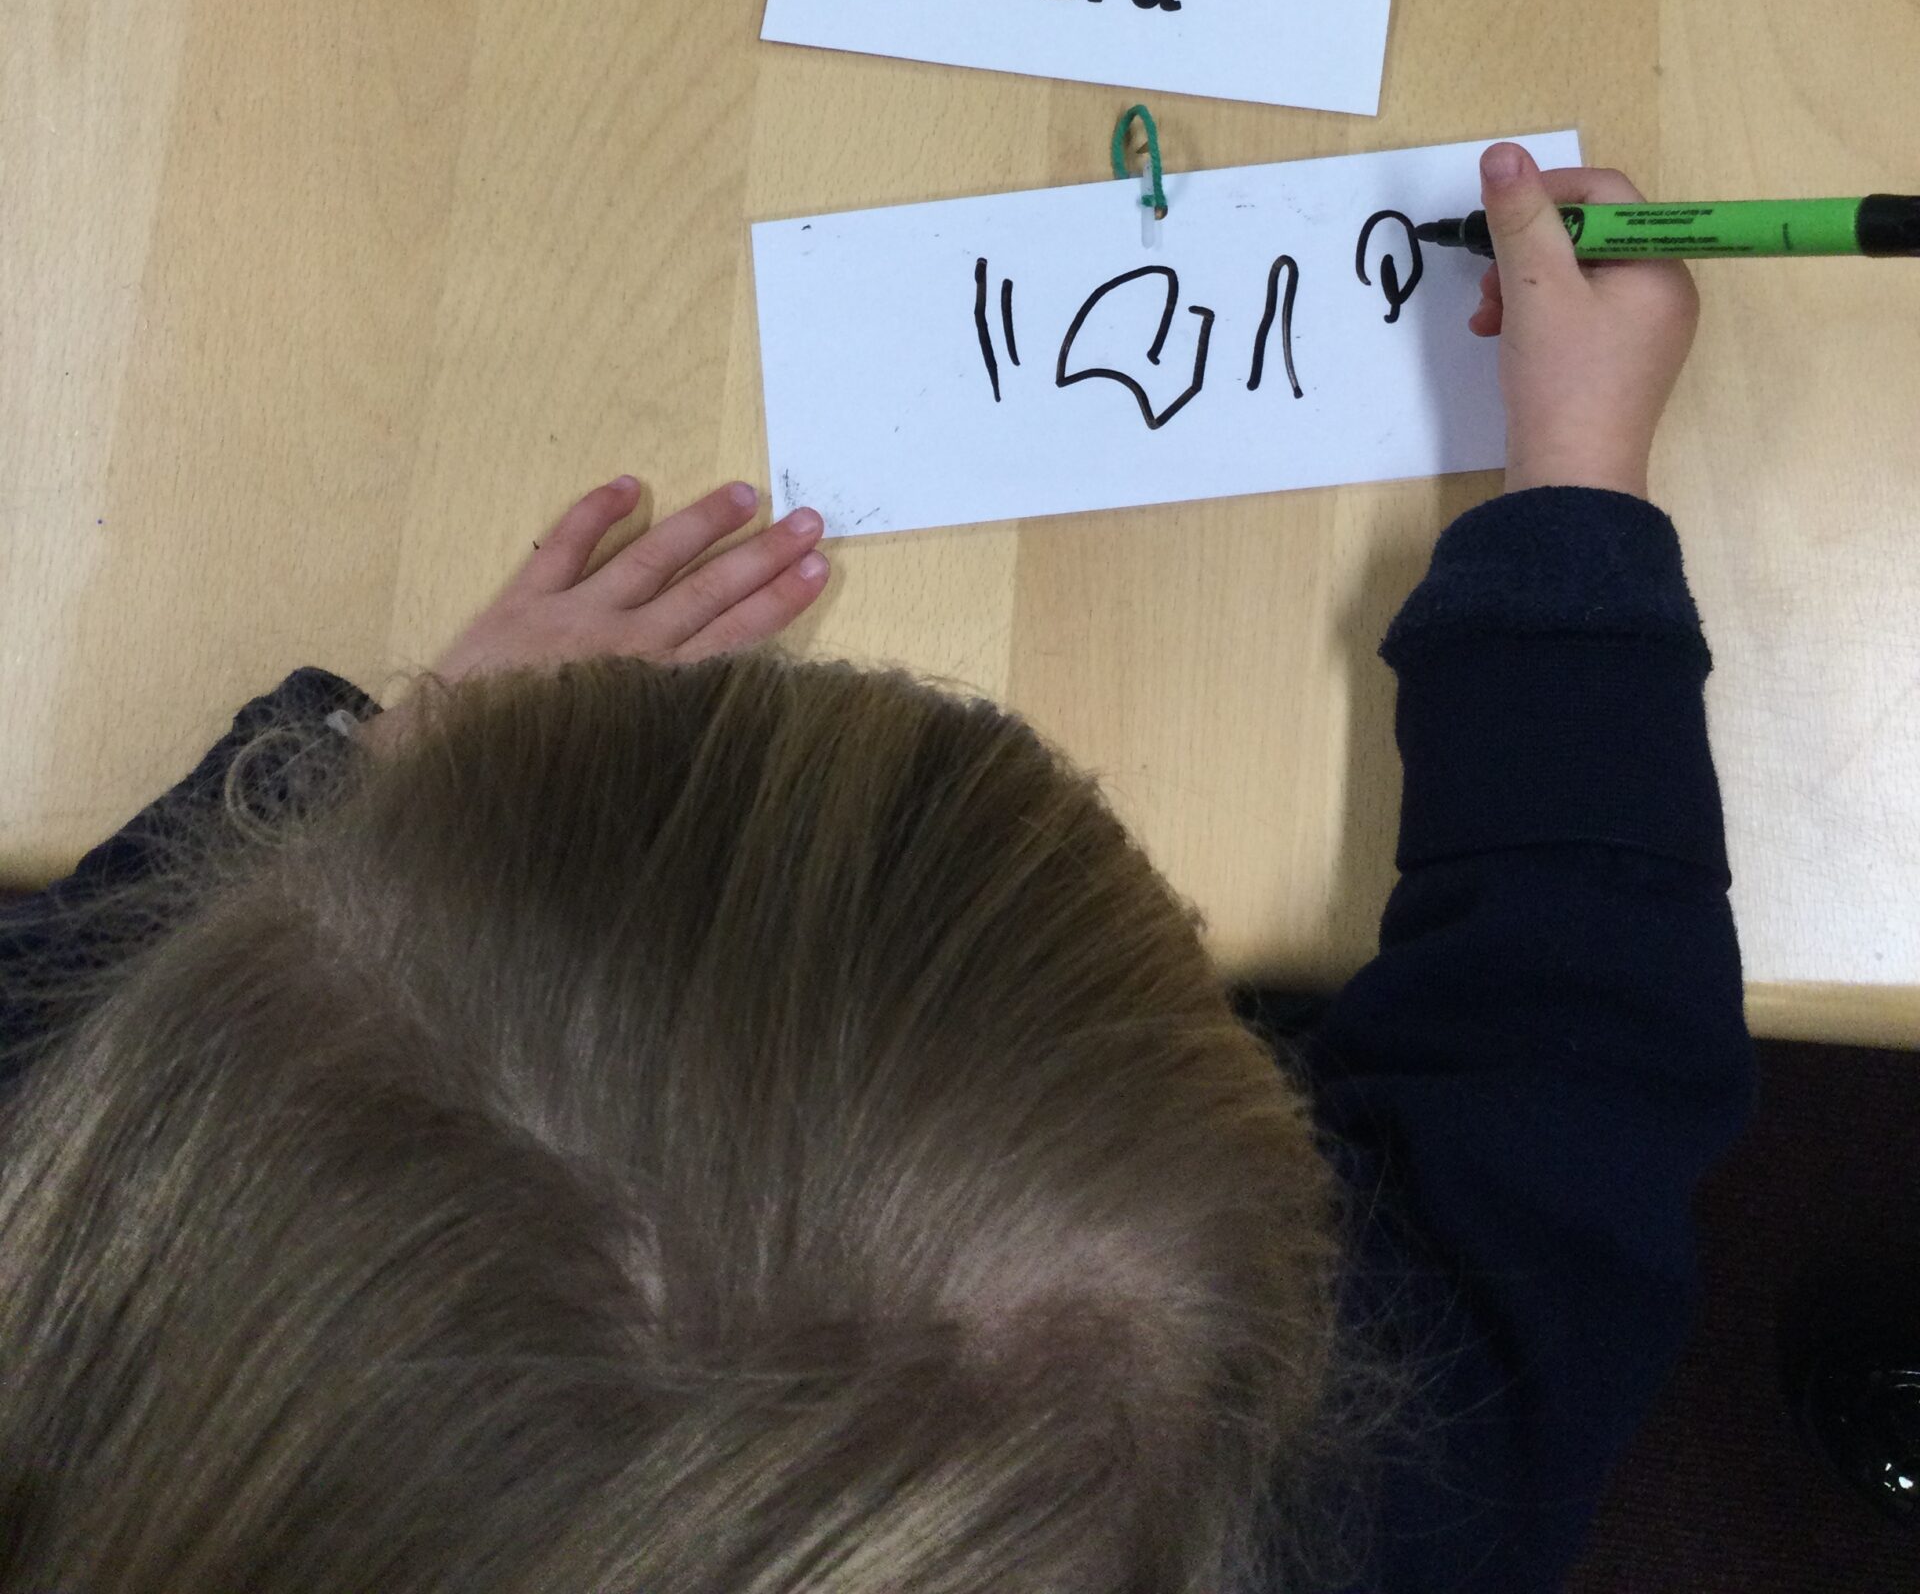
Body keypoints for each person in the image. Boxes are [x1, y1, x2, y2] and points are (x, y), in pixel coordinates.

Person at [0, 143, 1753, 1593]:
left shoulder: (54, 1307)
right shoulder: (1388, 1492)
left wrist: (379, 774)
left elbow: (42, 1022)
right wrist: (1575, 502)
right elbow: (1576, 1053)